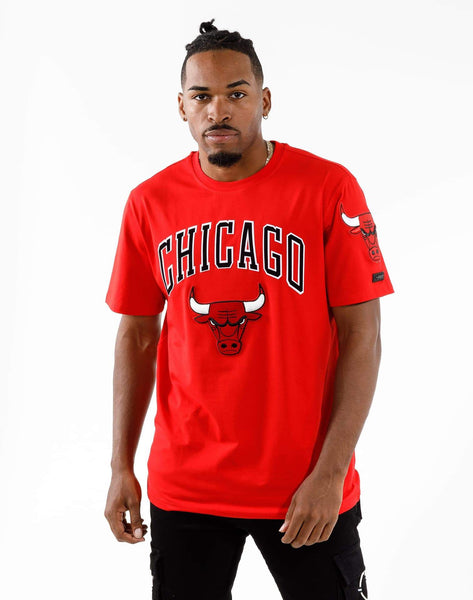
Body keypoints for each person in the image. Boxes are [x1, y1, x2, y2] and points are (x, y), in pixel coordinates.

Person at [104, 19, 394, 600]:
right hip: (186, 487)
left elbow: (362, 338)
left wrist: (331, 473)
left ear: (264, 100)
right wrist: (120, 466)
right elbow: (136, 337)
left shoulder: (329, 188)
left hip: (305, 486)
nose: (219, 110)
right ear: (181, 108)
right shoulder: (149, 202)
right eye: (201, 96)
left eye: (236, 93)